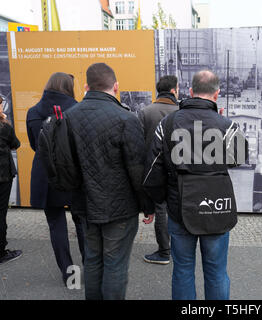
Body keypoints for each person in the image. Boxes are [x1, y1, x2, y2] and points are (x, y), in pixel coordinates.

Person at [143, 70, 247, 300]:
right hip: (216, 208)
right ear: (217, 93)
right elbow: (239, 158)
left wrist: (161, 200)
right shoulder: (226, 125)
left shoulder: (167, 124)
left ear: (190, 92)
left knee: (182, 271)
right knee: (217, 272)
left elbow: (152, 170)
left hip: (179, 208)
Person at [65, 63, 151, 300]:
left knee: (92, 260)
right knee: (115, 263)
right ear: (116, 87)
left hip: (85, 204)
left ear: (86, 87)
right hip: (120, 207)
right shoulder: (126, 119)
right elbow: (137, 170)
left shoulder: (69, 117)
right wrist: (148, 205)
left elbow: (66, 163)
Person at [25, 72, 85, 285]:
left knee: (56, 225)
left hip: (46, 174)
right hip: (74, 174)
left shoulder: (33, 113)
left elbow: (35, 145)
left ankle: (70, 276)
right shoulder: (79, 110)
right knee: (82, 222)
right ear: (69, 87)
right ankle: (92, 268)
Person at [138, 75, 179, 265]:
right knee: (178, 207)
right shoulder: (181, 111)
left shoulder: (145, 112)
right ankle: (181, 248)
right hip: (178, 168)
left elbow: (138, 143)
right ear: (173, 91)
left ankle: (164, 251)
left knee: (160, 209)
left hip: (155, 168)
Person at [0, 96, 22, 265]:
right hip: (2, 176)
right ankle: (1, 251)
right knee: (1, 214)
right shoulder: (4, 127)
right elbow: (16, 144)